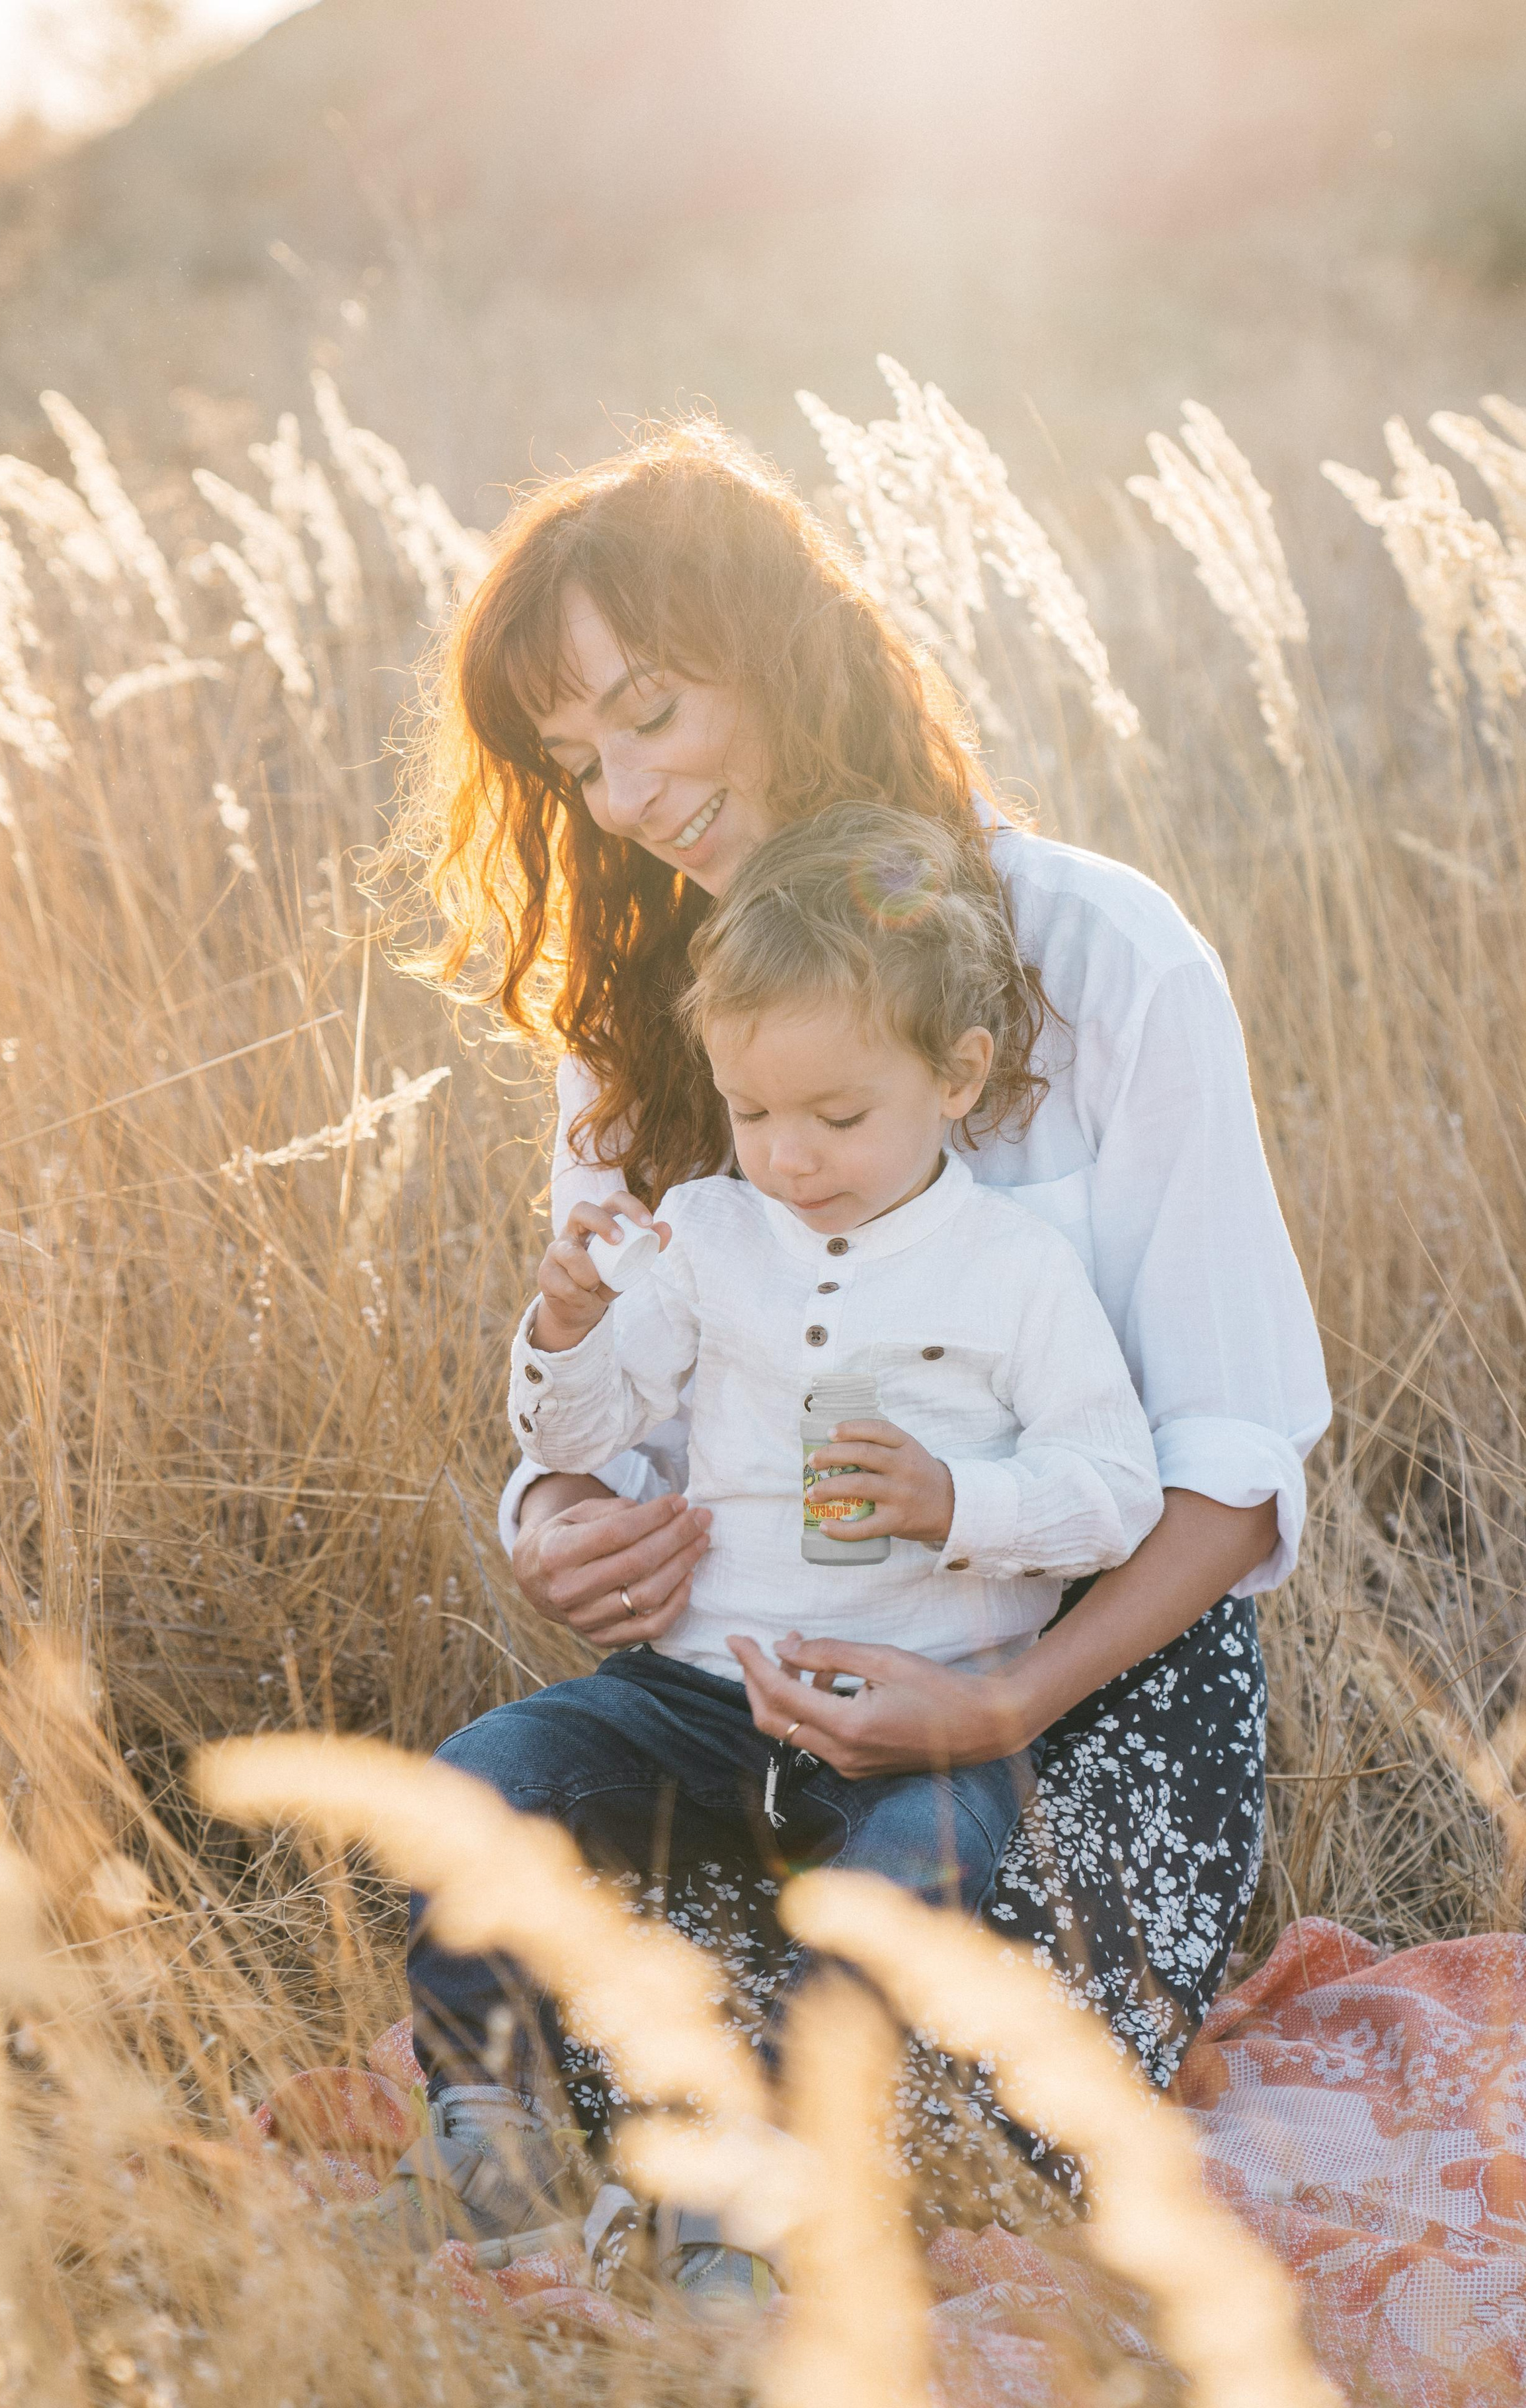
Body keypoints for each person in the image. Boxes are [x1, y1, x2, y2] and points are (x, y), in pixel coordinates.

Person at [384, 417, 1329, 2281]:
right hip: (749, 1682)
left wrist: (997, 1708)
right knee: (574, 1970)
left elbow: (1232, 1465)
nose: (631, 792)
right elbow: (614, 1403)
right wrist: (553, 1510)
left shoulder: (1107, 956)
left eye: (653, 708)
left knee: (939, 2059)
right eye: (580, 762)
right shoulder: (651, 1017)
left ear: (786, 654)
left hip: (1075, 1692)